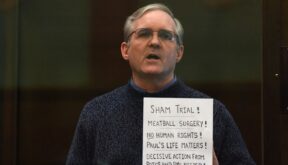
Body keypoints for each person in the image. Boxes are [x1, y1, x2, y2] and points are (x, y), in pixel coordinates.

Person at [66, 3, 255, 165]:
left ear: (179, 52)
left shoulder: (213, 113)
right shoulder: (96, 113)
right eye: (144, 34)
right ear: (125, 50)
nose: (154, 42)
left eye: (165, 35)